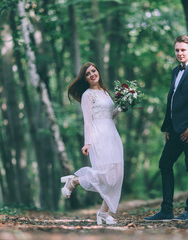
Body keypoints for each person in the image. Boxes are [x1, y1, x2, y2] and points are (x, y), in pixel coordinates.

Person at [144, 35, 188, 221]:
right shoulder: (175, 71)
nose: (180, 53)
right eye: (177, 50)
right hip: (174, 129)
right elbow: (171, 100)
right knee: (164, 163)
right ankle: (166, 210)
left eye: (183, 49)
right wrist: (167, 126)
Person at [62, 62, 123, 225]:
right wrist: (87, 143)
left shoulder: (104, 92)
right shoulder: (88, 96)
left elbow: (110, 115)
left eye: (94, 71)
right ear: (86, 79)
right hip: (98, 136)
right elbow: (88, 122)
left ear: (98, 72)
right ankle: (74, 181)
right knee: (105, 174)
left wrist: (121, 107)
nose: (92, 74)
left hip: (112, 135)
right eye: (88, 74)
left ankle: (104, 212)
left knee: (117, 174)